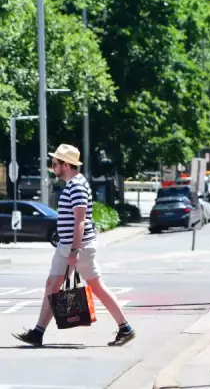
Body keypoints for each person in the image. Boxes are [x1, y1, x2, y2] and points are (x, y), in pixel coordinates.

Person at [13, 144, 135, 347]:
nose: (53, 168)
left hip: (78, 246)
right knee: (52, 285)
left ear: (66, 165)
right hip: (66, 246)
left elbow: (80, 220)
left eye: (55, 164)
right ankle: (38, 332)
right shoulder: (72, 184)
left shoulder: (77, 186)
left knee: (96, 287)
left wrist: (75, 250)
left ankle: (125, 327)